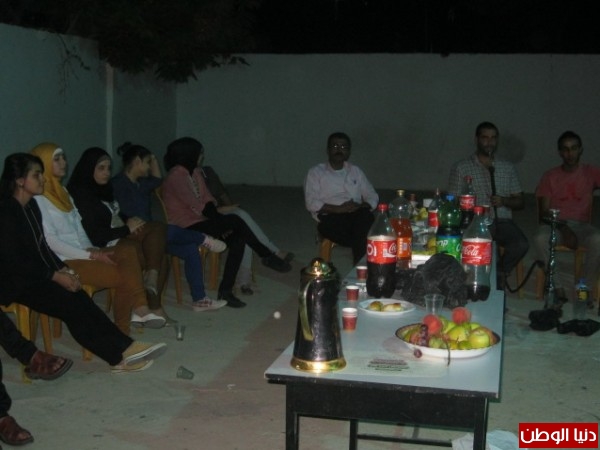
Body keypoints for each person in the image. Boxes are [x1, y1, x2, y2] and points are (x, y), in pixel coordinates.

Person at [0, 152, 167, 373]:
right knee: (70, 304)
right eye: (37, 175)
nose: (42, 179)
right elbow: (15, 261)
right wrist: (55, 276)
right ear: (21, 180)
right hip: (13, 282)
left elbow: (42, 248)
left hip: (35, 273)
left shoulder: (31, 207)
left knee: (78, 295)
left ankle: (124, 349)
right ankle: (119, 356)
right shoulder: (6, 211)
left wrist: (64, 270)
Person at [30, 142, 166, 332]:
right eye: (57, 159)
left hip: (84, 252)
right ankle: (131, 319)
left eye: (63, 158)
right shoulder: (38, 198)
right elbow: (50, 241)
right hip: (64, 261)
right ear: (43, 163)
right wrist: (90, 254)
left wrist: (92, 249)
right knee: (126, 274)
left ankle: (136, 314)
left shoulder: (64, 192)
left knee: (128, 251)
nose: (64, 163)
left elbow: (79, 229)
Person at [162, 137, 292, 308]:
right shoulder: (176, 176)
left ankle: (226, 291)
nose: (202, 156)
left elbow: (208, 199)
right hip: (185, 227)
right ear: (188, 154)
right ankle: (265, 255)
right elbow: (197, 205)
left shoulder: (195, 172)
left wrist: (219, 222)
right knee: (235, 220)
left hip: (202, 221)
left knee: (238, 238)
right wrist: (221, 223)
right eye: (199, 153)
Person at [111, 142, 227, 311]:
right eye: (147, 162)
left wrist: (153, 158)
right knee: (165, 229)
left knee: (189, 249)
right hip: (133, 236)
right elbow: (113, 212)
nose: (150, 166)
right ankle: (203, 238)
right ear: (137, 162)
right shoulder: (118, 183)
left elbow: (158, 179)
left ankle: (199, 299)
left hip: (153, 237)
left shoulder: (141, 183)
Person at [66, 147, 172, 323]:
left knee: (157, 231)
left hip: (119, 233)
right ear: (89, 168)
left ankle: (152, 287)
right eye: (101, 168)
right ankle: (150, 304)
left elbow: (113, 213)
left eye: (109, 168)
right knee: (155, 255)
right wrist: (126, 229)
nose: (107, 173)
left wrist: (129, 220)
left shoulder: (104, 189)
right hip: (104, 243)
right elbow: (96, 235)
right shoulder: (81, 195)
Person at [448, 121, 529, 289]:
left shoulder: (507, 167)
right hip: (474, 222)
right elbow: (452, 201)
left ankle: (499, 273)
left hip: (502, 221)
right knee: (486, 246)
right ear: (477, 139)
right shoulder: (461, 167)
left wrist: (504, 201)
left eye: (493, 138)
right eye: (485, 138)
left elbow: (520, 201)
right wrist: (468, 206)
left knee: (521, 244)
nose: (489, 142)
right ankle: (487, 279)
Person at [200, 156, 293, 295]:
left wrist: (230, 208)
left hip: (218, 213)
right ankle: (271, 252)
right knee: (242, 223)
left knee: (242, 223)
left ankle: (245, 278)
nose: (200, 158)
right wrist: (222, 210)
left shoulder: (205, 172)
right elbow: (196, 210)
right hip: (203, 220)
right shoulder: (184, 180)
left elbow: (221, 193)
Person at [534, 130, 600, 306]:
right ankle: (557, 288)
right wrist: (563, 227)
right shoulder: (550, 176)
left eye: (574, 148)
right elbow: (544, 212)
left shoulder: (590, 172)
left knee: (598, 240)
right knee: (540, 239)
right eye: (565, 149)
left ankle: (584, 289)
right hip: (555, 224)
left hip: (582, 226)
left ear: (580, 150)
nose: (570, 153)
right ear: (560, 152)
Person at [304, 132, 378, 264]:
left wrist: (361, 205)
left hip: (356, 213)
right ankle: (361, 263)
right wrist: (339, 209)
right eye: (335, 146)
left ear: (349, 152)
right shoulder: (316, 172)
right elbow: (311, 203)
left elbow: (372, 195)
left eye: (344, 147)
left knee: (366, 217)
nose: (339, 150)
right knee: (361, 233)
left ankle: (360, 263)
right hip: (330, 216)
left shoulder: (355, 171)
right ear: (328, 150)